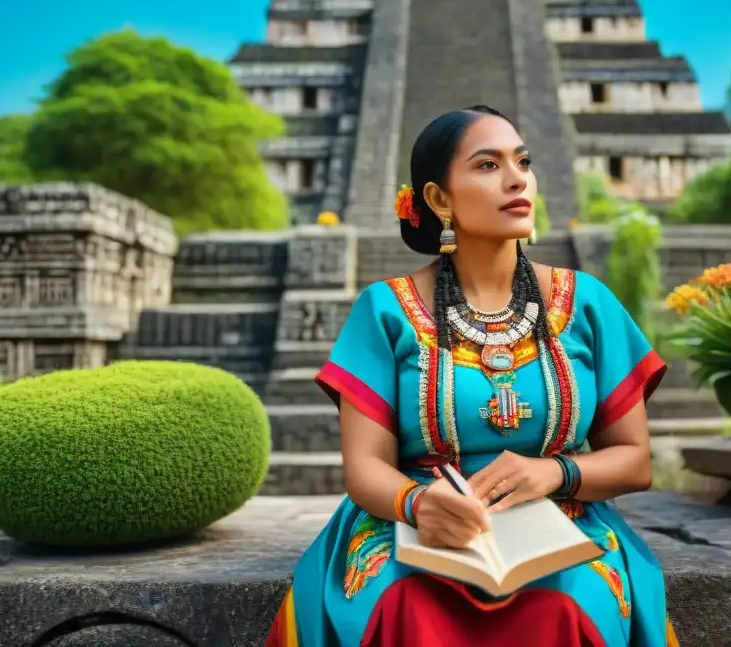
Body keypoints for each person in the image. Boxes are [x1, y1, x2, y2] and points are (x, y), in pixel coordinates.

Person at [265, 105, 680, 646]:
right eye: (487, 165)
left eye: (523, 162)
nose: (516, 179)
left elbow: (634, 460)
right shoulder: (386, 309)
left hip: (558, 523)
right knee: (403, 603)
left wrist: (554, 474)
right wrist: (418, 505)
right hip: (412, 527)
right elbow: (365, 466)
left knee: (569, 606)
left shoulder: (587, 303)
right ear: (438, 199)